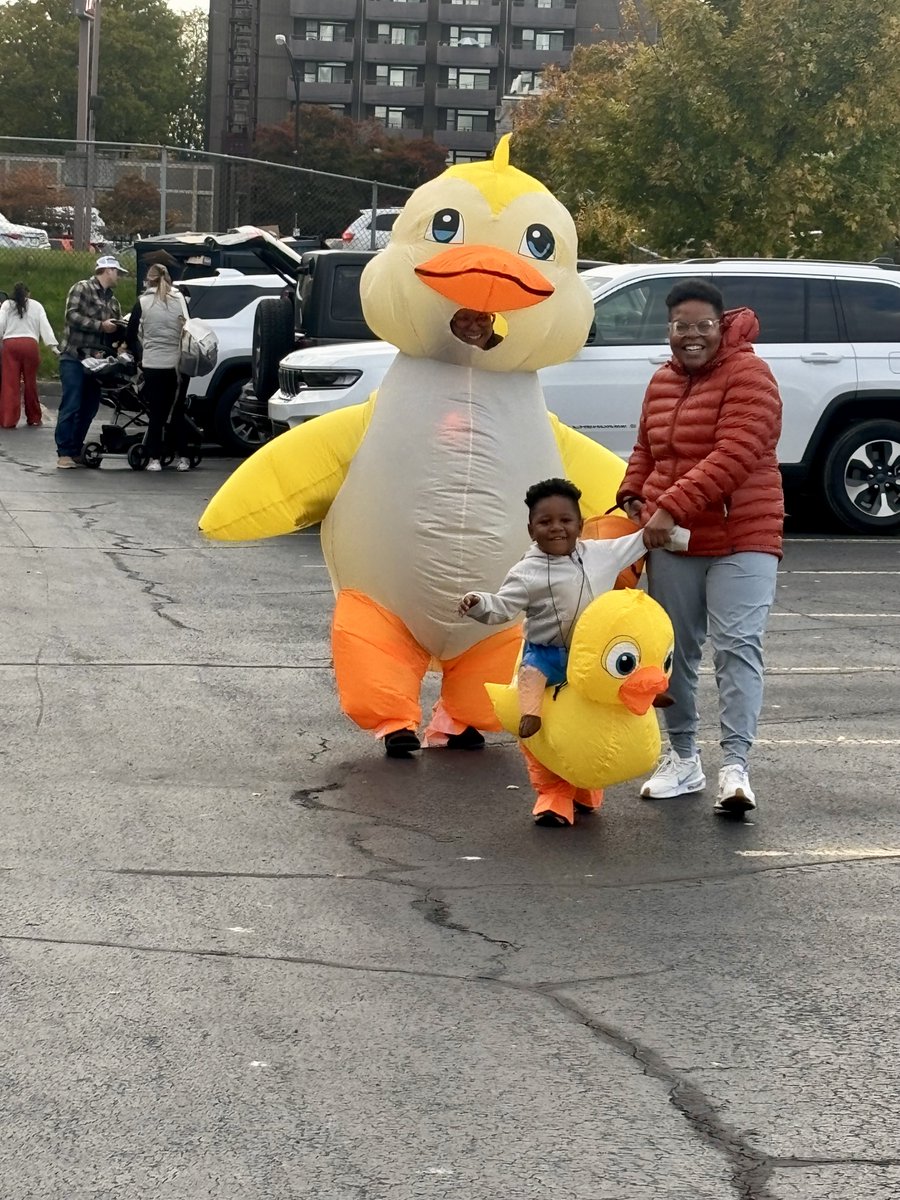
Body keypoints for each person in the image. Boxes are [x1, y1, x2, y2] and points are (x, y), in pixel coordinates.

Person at [617, 278, 784, 817]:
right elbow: (647, 448)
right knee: (676, 654)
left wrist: (669, 507)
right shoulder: (661, 381)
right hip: (677, 539)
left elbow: (736, 453)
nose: (691, 336)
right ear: (668, 329)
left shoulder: (750, 374)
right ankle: (683, 759)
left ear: (722, 325)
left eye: (702, 326)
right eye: (680, 326)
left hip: (743, 535)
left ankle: (735, 767)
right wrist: (632, 496)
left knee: (737, 647)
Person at [459, 477, 686, 738]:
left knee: (624, 660)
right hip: (549, 651)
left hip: (592, 649)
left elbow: (641, 540)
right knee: (531, 671)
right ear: (531, 530)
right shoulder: (526, 573)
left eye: (565, 521)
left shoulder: (603, 554)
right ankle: (531, 714)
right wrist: (478, 602)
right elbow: (501, 607)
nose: (556, 528)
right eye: (545, 522)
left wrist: (682, 538)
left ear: (580, 526)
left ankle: (646, 692)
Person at [55, 254, 128, 469]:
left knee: (90, 406)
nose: (119, 277)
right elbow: (71, 316)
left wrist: (119, 337)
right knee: (71, 403)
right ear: (107, 270)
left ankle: (76, 448)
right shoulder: (82, 288)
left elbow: (114, 332)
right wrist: (100, 325)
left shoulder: (114, 301)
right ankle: (64, 452)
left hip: (97, 363)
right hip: (74, 356)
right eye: (117, 272)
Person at [125, 263, 191, 472]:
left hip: (152, 363)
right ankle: (183, 457)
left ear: (148, 280)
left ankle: (154, 458)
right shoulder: (179, 299)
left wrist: (138, 357)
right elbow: (188, 328)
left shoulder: (143, 302)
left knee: (156, 412)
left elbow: (130, 333)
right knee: (176, 411)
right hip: (176, 364)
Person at [0, 283, 59, 428]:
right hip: (30, 345)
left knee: (10, 383)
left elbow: (1, 324)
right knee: (30, 382)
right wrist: (53, 347)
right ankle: (34, 417)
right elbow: (45, 327)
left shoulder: (7, 305)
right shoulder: (37, 306)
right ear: (29, 294)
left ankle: (9, 420)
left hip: (11, 345)